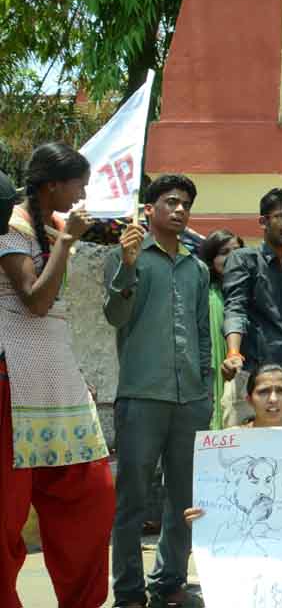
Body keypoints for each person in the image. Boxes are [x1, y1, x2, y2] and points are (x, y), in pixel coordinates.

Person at [0, 143, 115, 607]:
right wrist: (68, 243)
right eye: (79, 183)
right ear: (52, 186)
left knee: (93, 498)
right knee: (6, 517)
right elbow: (35, 301)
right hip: (12, 386)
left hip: (56, 382)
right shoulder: (12, 230)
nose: (84, 192)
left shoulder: (51, 227)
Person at [103, 174, 212, 608]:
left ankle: (169, 581)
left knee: (184, 499)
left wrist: (203, 386)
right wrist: (128, 267)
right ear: (149, 210)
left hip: (190, 400)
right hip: (141, 395)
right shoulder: (124, 257)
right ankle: (128, 591)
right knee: (132, 499)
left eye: (186, 203)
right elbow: (115, 316)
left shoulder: (197, 267)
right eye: (170, 202)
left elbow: (203, 333)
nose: (180, 209)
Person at [221, 188, 282, 426]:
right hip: (247, 379)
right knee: (241, 458)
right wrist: (233, 353)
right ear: (263, 221)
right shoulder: (244, 260)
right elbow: (235, 308)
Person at [198, 229, 244, 429]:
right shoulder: (204, 292)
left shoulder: (252, 290)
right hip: (211, 373)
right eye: (224, 252)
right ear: (211, 258)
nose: (232, 258)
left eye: (237, 251)